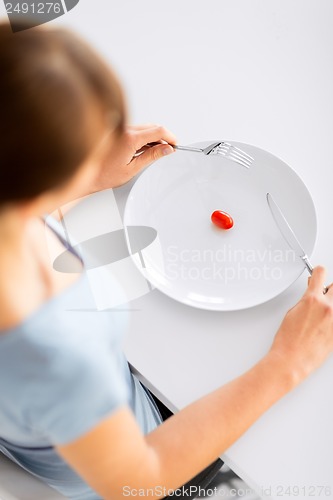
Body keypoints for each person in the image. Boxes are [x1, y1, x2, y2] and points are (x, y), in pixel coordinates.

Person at [0, 21, 333, 500]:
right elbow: (138, 478)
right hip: (129, 451)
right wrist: (288, 362)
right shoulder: (54, 351)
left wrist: (87, 179)